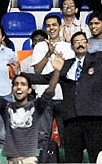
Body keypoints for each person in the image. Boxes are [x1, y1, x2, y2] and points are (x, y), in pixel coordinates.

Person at [0, 46, 63, 164]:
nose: (19, 87)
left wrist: (57, 71)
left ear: (29, 90)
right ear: (12, 89)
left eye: (23, 84)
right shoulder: (6, 108)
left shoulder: (37, 107)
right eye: (16, 84)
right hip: (11, 161)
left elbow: (50, 91)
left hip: (30, 160)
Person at [54, 31, 102, 163]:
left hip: (95, 119)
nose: (80, 44)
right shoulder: (65, 64)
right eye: (76, 42)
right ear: (71, 47)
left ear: (87, 44)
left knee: (96, 158)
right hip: (72, 119)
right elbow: (45, 78)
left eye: (83, 41)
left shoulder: (99, 58)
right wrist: (19, 73)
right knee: (72, 159)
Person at [31, 14, 74, 147]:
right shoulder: (39, 47)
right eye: (48, 25)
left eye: (54, 25)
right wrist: (48, 54)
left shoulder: (68, 47)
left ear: (60, 27)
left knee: (66, 135)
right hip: (44, 97)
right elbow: (37, 71)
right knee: (43, 136)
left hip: (63, 97)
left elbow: (71, 71)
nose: (51, 28)